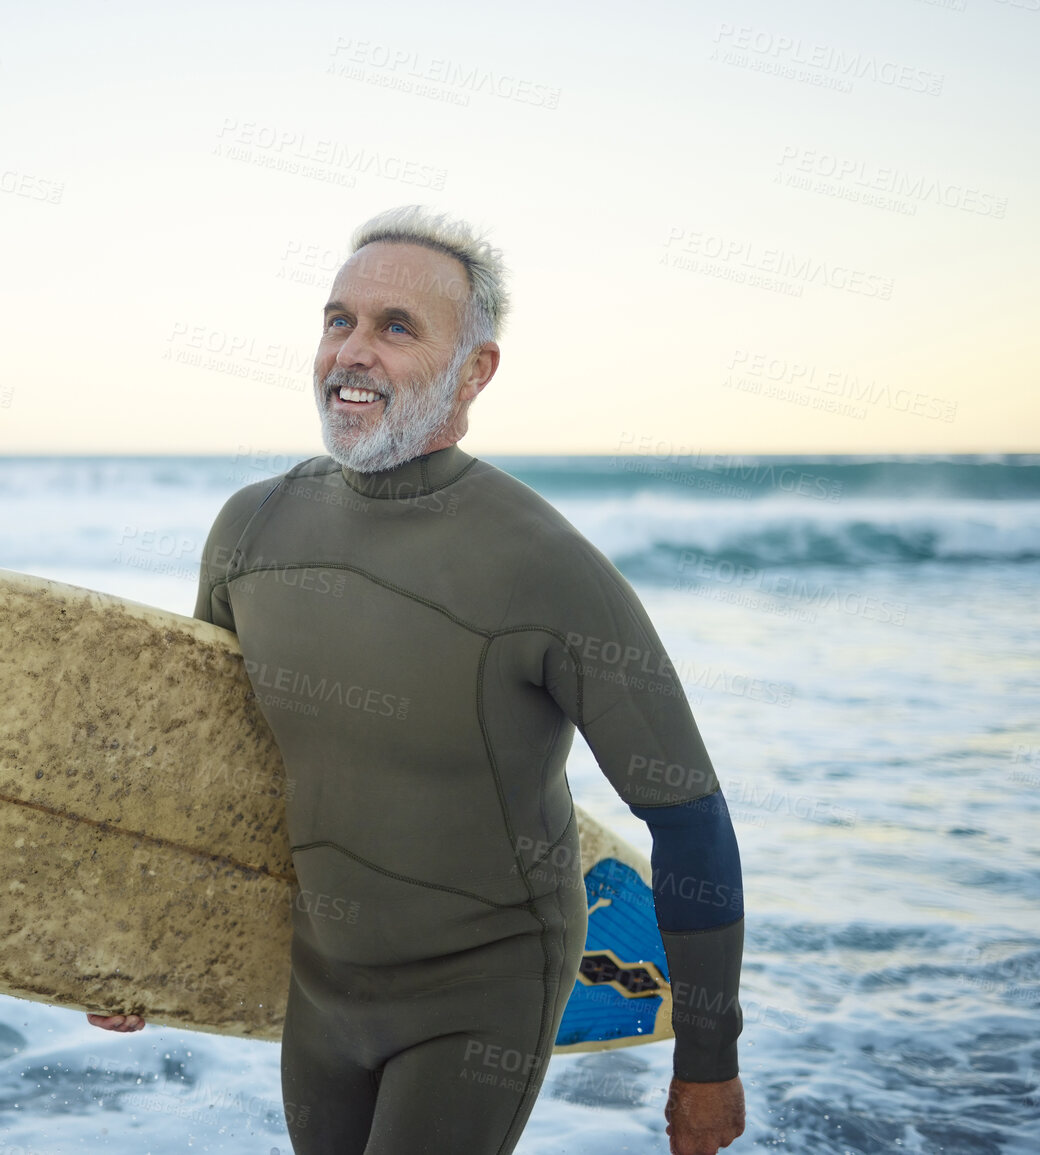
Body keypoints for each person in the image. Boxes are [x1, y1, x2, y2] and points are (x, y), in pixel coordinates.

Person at [91, 206, 747, 1155]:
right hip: (321, 982)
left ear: (473, 369)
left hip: (482, 987)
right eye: (337, 320)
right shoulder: (253, 529)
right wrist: (139, 945)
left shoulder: (547, 566)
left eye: (396, 327)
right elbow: (214, 770)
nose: (352, 352)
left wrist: (708, 1064)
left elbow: (687, 813)